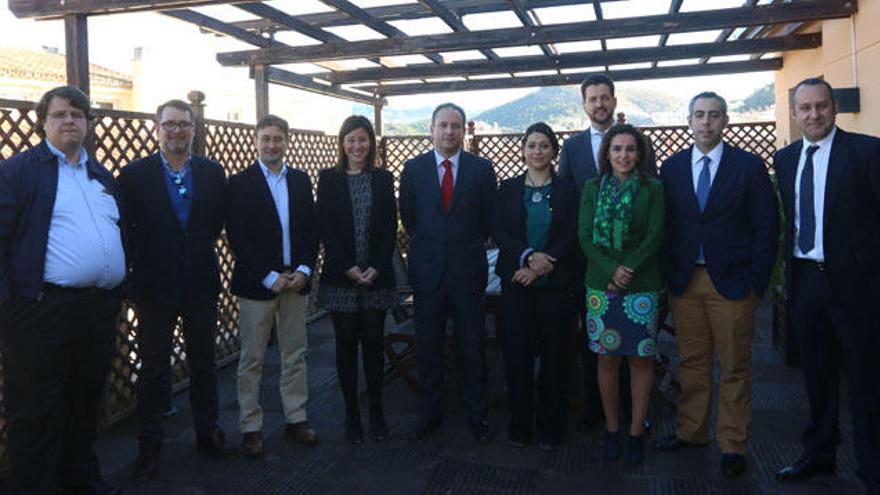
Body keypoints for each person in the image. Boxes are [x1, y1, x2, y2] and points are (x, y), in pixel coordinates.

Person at [0, 86, 125, 494]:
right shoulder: (19, 171)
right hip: (40, 311)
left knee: (84, 400)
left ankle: (81, 479)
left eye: (77, 114)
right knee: (34, 408)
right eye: (59, 114)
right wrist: (11, 306)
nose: (69, 120)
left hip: (95, 311)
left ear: (88, 122)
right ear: (43, 122)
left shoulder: (99, 175)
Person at [654, 92, 778, 479]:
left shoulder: (749, 166)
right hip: (686, 282)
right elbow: (666, 225)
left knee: (735, 366)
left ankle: (732, 443)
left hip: (734, 284)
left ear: (725, 120)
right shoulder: (671, 168)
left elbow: (766, 225)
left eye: (713, 116)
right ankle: (691, 431)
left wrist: (757, 281)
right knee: (691, 362)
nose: (706, 122)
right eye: (699, 115)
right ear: (688, 120)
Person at [773, 78, 880, 493]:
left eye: (821, 106)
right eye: (805, 108)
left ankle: (872, 468)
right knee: (816, 378)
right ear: (796, 113)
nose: (814, 115)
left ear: (834, 107)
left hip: (857, 288)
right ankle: (819, 455)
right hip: (805, 283)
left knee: (867, 381)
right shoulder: (784, 159)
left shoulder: (867, 152)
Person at [119, 99, 234, 481]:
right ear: (158, 128)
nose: (177, 130)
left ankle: (207, 432)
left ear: (193, 128)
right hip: (154, 286)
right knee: (153, 369)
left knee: (204, 362)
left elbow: (215, 224)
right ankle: (149, 446)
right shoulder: (134, 175)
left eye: (184, 124)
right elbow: (126, 231)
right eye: (169, 124)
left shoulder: (213, 173)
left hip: (200, 282)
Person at [558, 74, 657, 431]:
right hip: (591, 267)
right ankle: (596, 408)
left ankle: (636, 415)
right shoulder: (571, 148)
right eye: (592, 99)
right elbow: (568, 203)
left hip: (637, 271)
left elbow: (651, 200)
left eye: (604, 97)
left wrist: (629, 264)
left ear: (614, 101)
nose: (599, 104)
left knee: (637, 349)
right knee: (595, 344)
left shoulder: (638, 144)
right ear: (584, 105)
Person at [399, 102, 497, 444]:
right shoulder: (412, 169)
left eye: (456, 126)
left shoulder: (482, 169)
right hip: (428, 274)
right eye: (443, 125)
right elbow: (409, 218)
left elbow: (488, 221)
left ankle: (476, 414)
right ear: (431, 129)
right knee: (428, 347)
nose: (449, 132)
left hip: (468, 272)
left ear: (464, 131)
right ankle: (429, 414)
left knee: (473, 345)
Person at [226, 114, 319, 457]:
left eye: (277, 138)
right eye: (265, 138)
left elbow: (311, 229)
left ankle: (296, 417)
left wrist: (305, 269)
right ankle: (250, 426)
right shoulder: (239, 183)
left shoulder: (300, 180)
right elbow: (238, 237)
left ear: (286, 141)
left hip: (295, 281)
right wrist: (267, 276)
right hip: (257, 283)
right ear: (256, 141)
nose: (271, 144)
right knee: (251, 359)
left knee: (295, 354)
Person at [578, 124, 664, 465]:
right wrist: (611, 270)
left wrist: (627, 269)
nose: (624, 155)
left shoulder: (653, 188)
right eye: (617, 149)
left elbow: (656, 234)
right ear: (607, 153)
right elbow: (585, 236)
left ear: (639, 154)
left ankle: (635, 432)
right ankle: (612, 429)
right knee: (607, 359)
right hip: (601, 286)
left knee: (641, 360)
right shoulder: (591, 188)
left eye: (630, 149)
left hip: (641, 286)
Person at [493, 122, 578, 451]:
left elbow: (572, 233)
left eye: (544, 145)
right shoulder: (508, 188)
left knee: (556, 357)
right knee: (518, 356)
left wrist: (544, 263)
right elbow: (499, 230)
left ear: (554, 151)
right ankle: (520, 422)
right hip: (517, 283)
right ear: (523, 149)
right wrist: (528, 258)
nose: (538, 151)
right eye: (532, 145)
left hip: (556, 285)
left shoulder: (568, 190)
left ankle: (551, 424)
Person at [316, 116, 397, 445]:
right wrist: (348, 266)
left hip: (376, 278)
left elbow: (391, 226)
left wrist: (376, 266)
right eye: (351, 140)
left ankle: (376, 411)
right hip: (341, 278)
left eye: (363, 140)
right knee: (346, 346)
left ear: (371, 143)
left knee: (375, 344)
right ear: (342, 143)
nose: (357, 146)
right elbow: (325, 227)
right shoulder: (328, 179)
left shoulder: (382, 178)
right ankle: (352, 414)